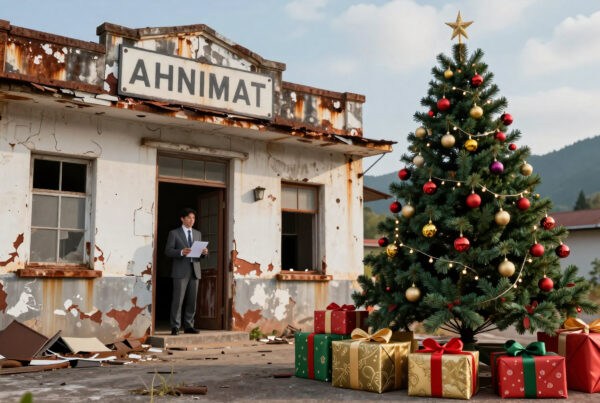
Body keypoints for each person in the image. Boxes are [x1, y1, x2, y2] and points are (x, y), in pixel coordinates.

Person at [164, 208, 208, 335]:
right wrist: (181, 252)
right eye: (189, 217)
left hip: (195, 270)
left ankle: (189, 326)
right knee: (178, 300)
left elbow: (199, 253)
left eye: (193, 218)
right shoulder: (174, 233)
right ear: (182, 219)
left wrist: (204, 253)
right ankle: (175, 326)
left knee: (192, 300)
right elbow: (168, 251)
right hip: (180, 271)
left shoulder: (198, 233)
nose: (191, 220)